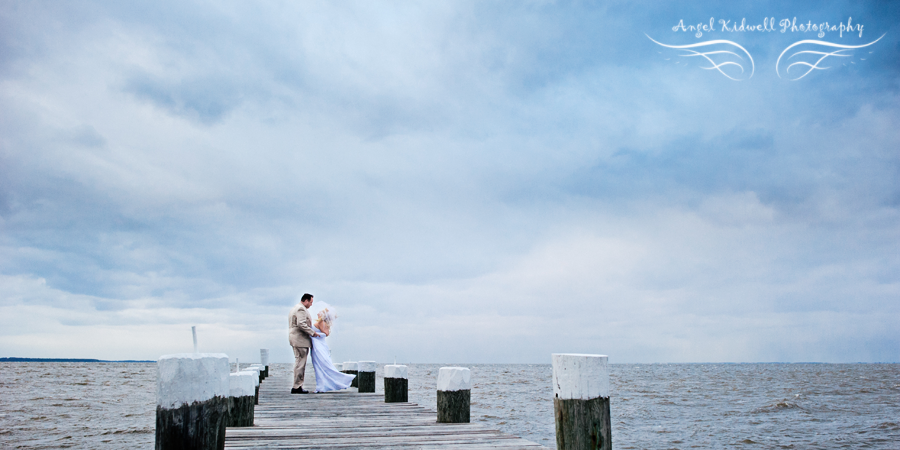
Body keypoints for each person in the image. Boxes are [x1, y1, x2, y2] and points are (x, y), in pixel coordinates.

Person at [307, 302, 355, 392]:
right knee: (320, 365)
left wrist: (315, 335)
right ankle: (322, 385)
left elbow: (326, 333)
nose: (318, 313)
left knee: (321, 365)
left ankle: (322, 386)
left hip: (319, 346)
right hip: (318, 345)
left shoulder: (321, 322)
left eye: (320, 312)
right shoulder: (322, 322)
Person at [288, 293, 319, 394]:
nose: (311, 304)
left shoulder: (295, 308)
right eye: (310, 302)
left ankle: (298, 385)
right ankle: (297, 386)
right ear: (305, 300)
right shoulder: (301, 309)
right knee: (300, 363)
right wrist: (312, 333)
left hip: (297, 339)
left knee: (299, 362)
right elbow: (301, 324)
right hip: (300, 340)